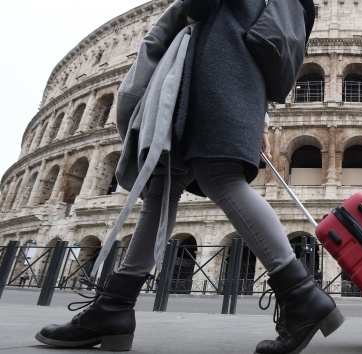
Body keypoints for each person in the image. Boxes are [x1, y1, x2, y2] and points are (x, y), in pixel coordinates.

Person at [34, 0, 344, 353]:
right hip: (235, 71)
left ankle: (302, 293)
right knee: (164, 184)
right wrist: (258, 116)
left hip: (212, 66)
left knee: (219, 176)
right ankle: (114, 306)